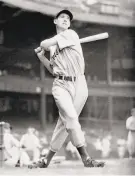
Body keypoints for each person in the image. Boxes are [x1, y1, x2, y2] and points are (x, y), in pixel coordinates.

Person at [29, 9, 105, 168]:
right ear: (55, 21)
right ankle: (86, 158)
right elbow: (53, 69)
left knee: (66, 123)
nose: (65, 20)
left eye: (67, 19)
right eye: (61, 17)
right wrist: (42, 57)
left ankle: (45, 161)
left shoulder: (71, 34)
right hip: (60, 85)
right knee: (70, 117)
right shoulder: (53, 48)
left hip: (80, 84)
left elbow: (44, 43)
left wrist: (43, 46)